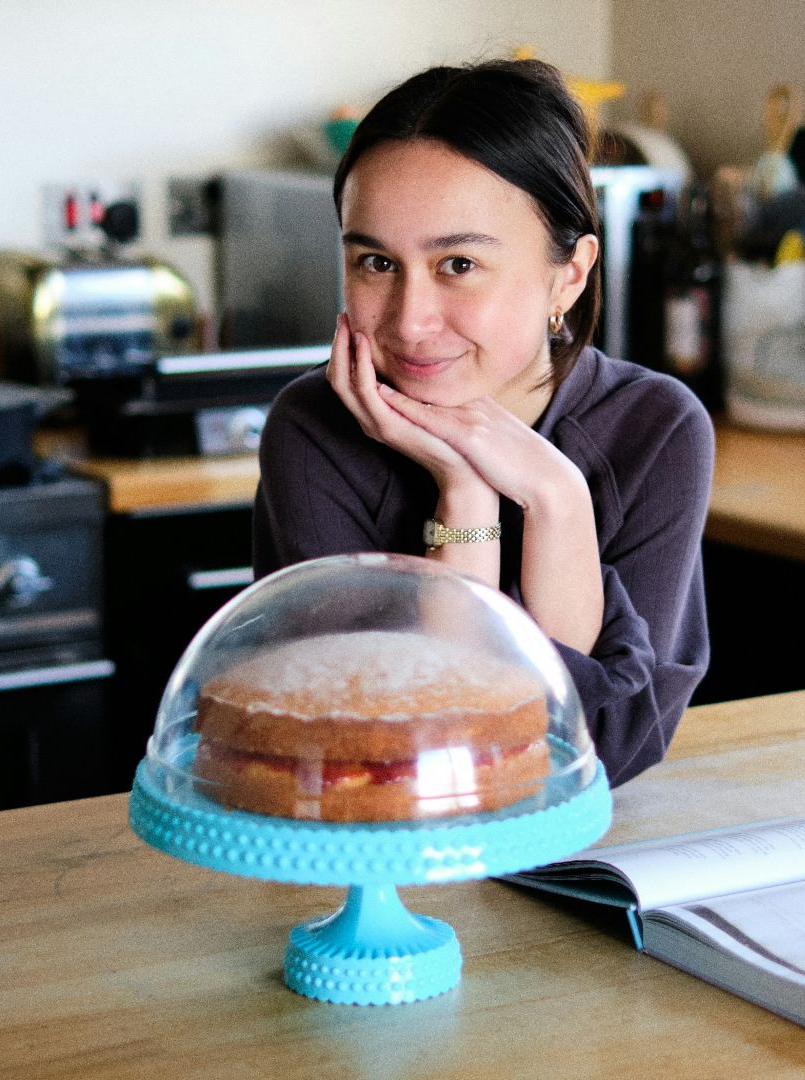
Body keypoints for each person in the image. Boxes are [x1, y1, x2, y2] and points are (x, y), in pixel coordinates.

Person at [251, 58, 714, 787]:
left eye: (458, 264)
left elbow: (603, 752)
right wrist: (463, 491)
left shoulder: (655, 429)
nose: (410, 320)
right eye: (376, 262)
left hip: (584, 858)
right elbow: (390, 754)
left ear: (570, 273)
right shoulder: (314, 428)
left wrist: (557, 498)